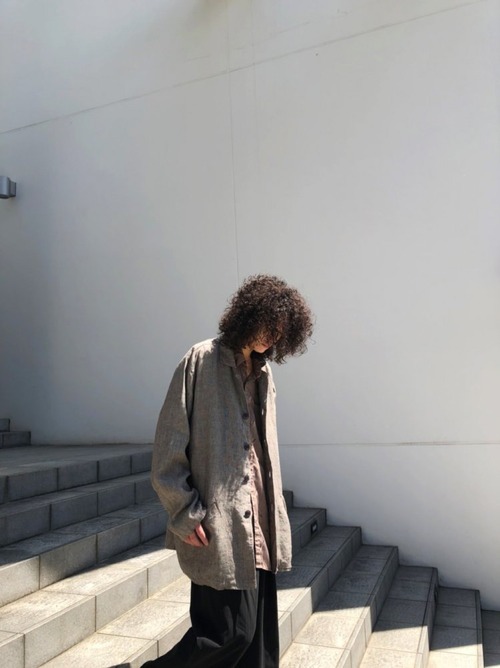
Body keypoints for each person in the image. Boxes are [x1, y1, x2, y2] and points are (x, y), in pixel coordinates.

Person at [143, 274, 314, 668]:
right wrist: (185, 512)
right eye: (268, 325)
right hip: (219, 526)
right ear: (248, 315)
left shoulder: (264, 374)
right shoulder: (200, 361)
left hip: (260, 526)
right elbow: (168, 448)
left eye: (280, 332)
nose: (272, 337)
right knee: (226, 634)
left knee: (260, 646)